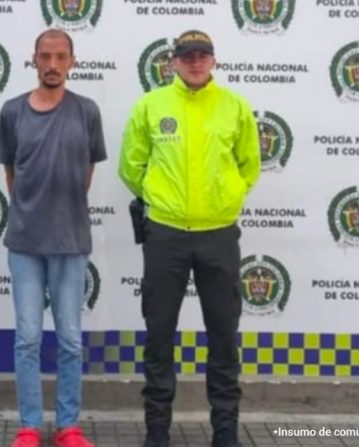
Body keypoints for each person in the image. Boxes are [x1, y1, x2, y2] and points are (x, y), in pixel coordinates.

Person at [118, 30, 261, 447]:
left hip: (218, 235)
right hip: (165, 236)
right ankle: (157, 431)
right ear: (173, 62)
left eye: (202, 55)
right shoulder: (151, 105)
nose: (195, 62)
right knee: (159, 334)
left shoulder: (234, 106)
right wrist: (162, 201)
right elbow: (131, 166)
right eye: (187, 56)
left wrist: (228, 195)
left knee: (223, 335)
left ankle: (226, 433)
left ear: (213, 60)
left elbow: (249, 164)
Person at [0, 29, 107, 447]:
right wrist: (33, 210)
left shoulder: (87, 112)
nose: (53, 64)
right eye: (45, 56)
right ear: (34, 59)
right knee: (26, 338)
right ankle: (28, 426)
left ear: (72, 61)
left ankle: (68, 427)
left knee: (70, 339)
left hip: (71, 243)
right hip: (24, 243)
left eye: (61, 56)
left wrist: (63, 210)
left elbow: (87, 171)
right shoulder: (12, 112)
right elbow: (11, 173)